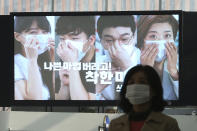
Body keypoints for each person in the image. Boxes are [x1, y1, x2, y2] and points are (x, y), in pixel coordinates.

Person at [109, 65, 180, 131]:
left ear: (154, 90)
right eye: (131, 82)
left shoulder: (168, 124)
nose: (135, 86)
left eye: (142, 82)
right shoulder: (115, 125)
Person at [96, 15, 140, 100]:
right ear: (101, 41)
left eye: (124, 39)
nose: (117, 46)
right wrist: (98, 86)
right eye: (109, 40)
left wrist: (127, 67)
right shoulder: (96, 64)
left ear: (134, 38)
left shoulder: (144, 61)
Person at [137, 15, 179, 100]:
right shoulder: (130, 65)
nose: (160, 42)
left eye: (167, 36)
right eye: (153, 36)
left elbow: (188, 102)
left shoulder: (181, 66)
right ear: (142, 42)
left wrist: (174, 72)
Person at [55, 16, 96, 100]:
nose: (67, 45)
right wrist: (64, 85)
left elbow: (86, 106)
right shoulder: (66, 55)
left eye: (74, 38)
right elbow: (58, 100)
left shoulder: (100, 61)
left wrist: (72, 64)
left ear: (91, 40)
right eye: (62, 39)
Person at [14, 16, 55, 100]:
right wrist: (32, 60)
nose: (41, 36)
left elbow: (55, 96)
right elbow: (35, 99)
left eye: (45, 32)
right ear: (18, 36)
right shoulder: (15, 63)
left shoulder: (44, 60)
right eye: (33, 32)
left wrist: (54, 61)